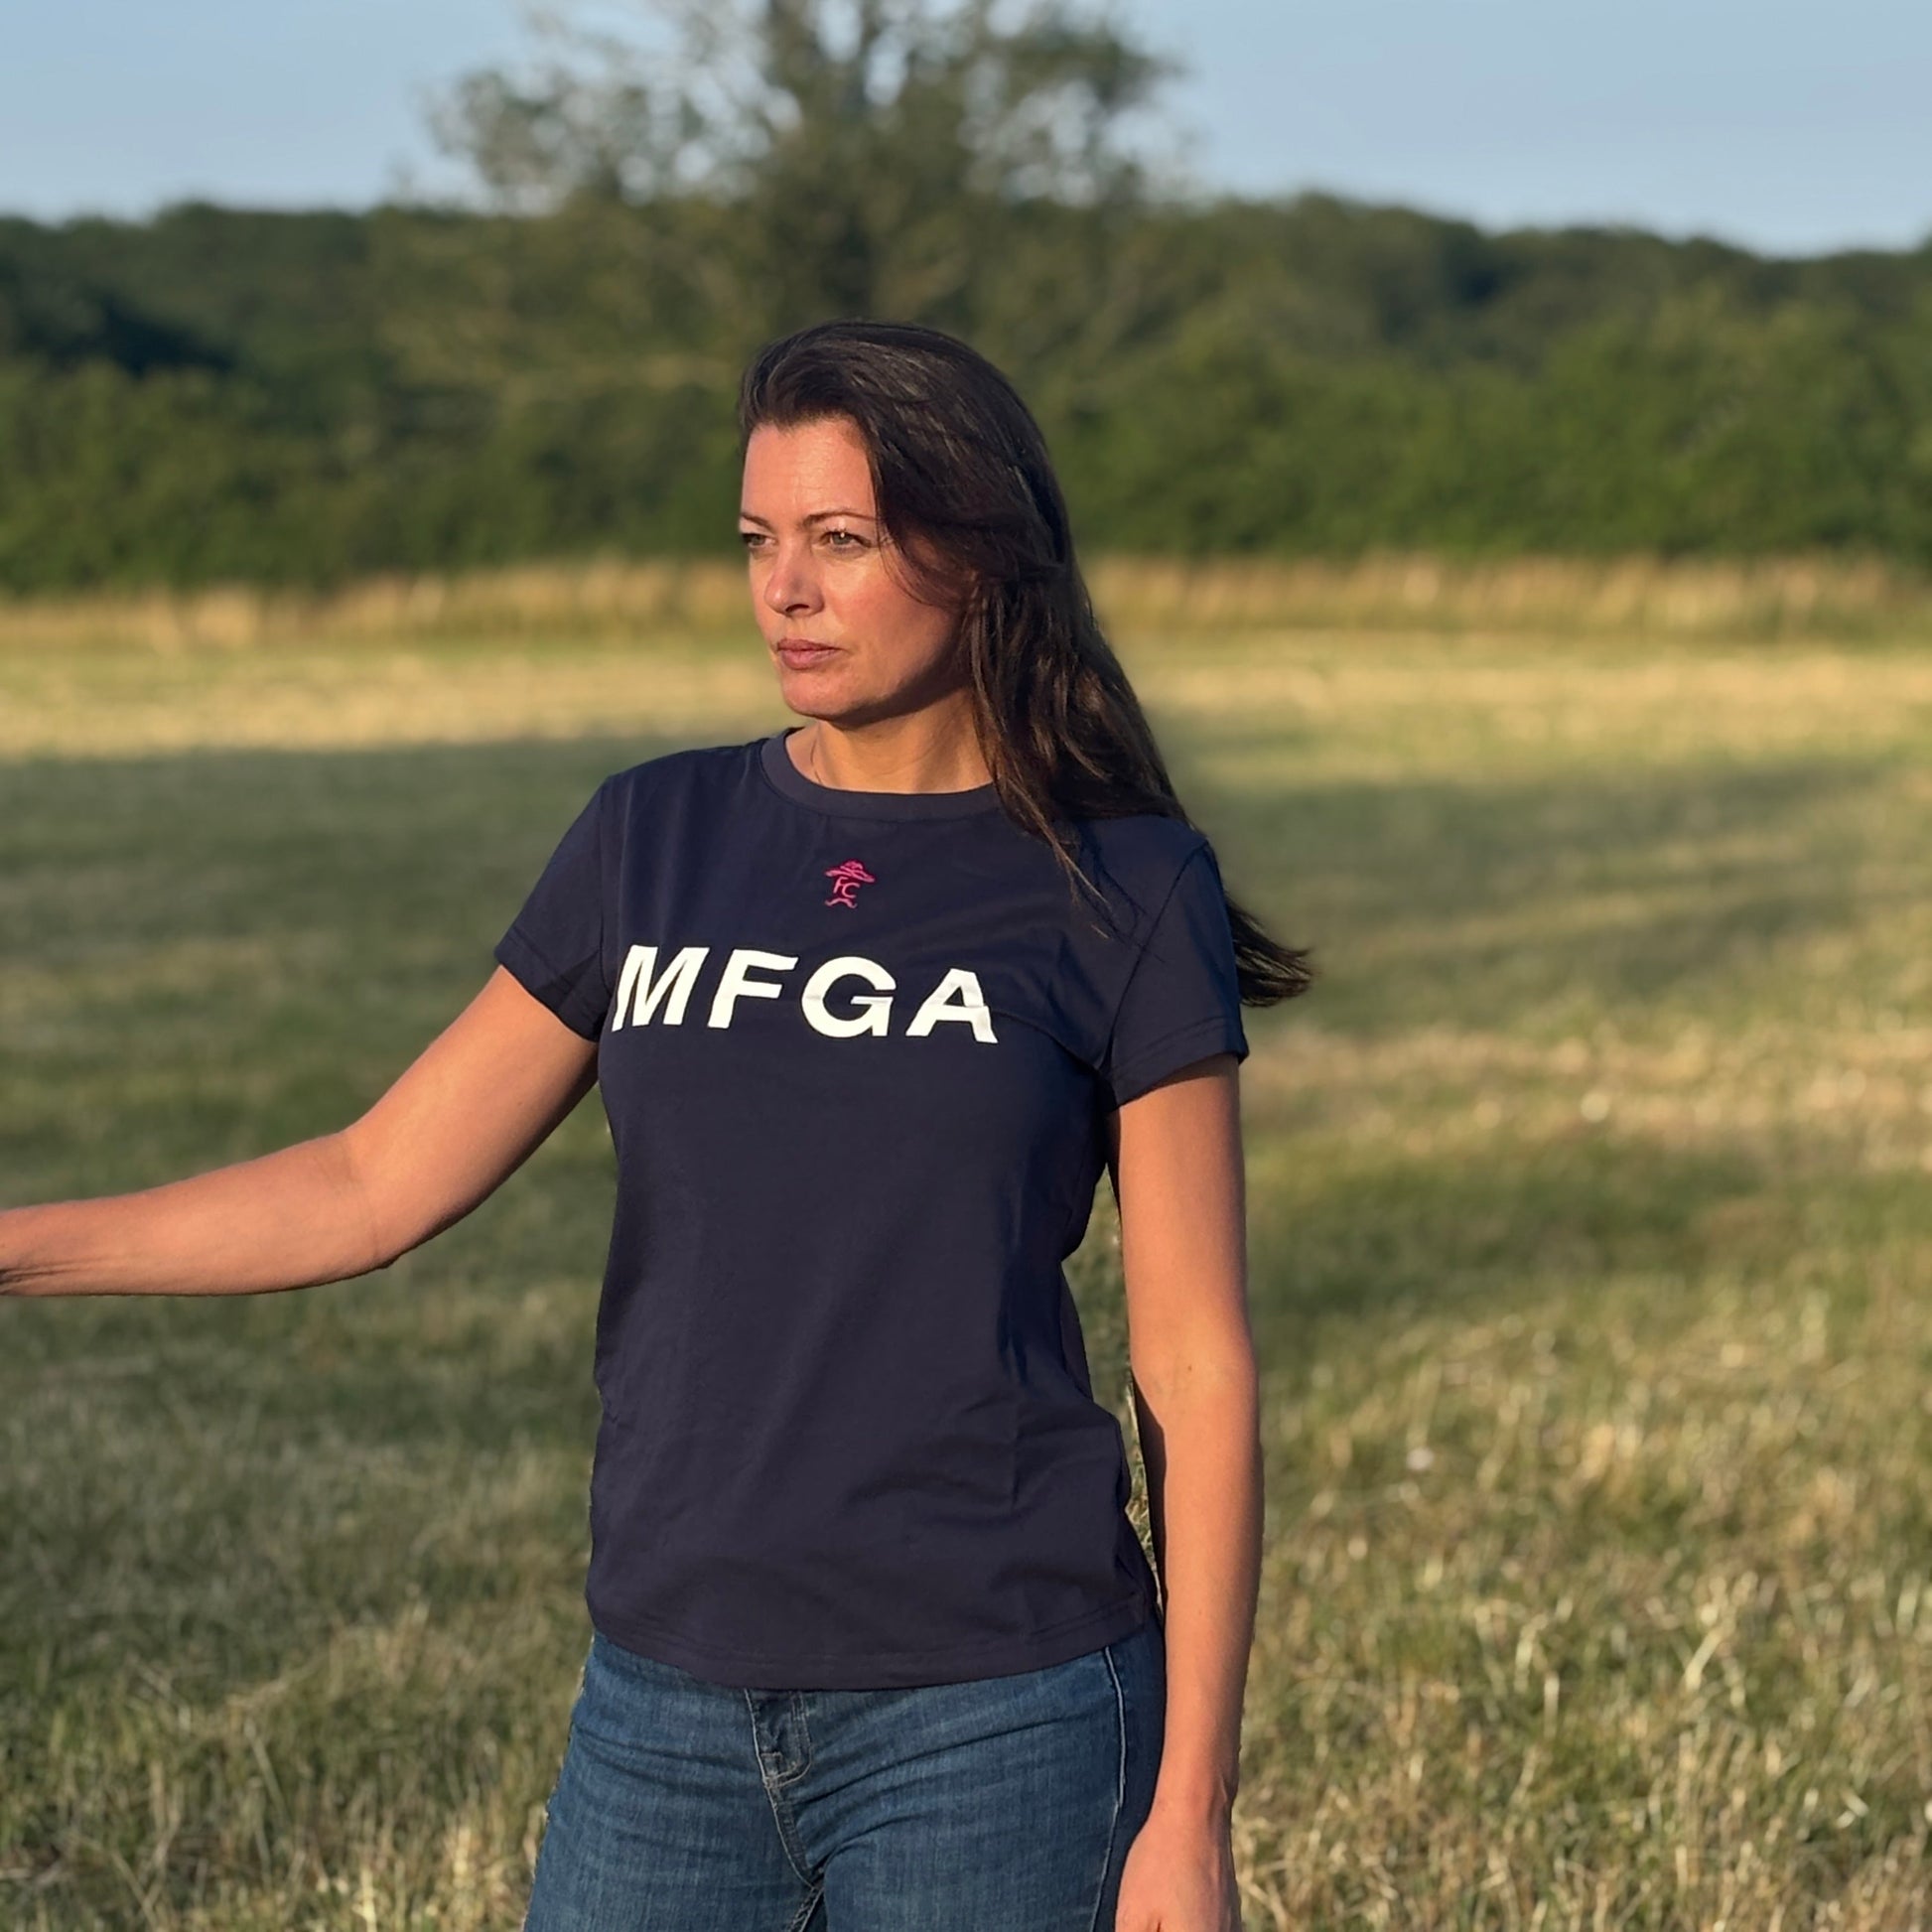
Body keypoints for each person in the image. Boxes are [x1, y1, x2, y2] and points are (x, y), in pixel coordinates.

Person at [1, 318, 1310, 1931]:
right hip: (662, 1699)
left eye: (841, 540)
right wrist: (14, 1250)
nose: (785, 590)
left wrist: (1189, 1810)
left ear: (979, 553)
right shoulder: (656, 832)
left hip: (998, 1709)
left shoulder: (1124, 883)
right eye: (759, 541)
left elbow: (1193, 1362)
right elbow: (369, 1180)